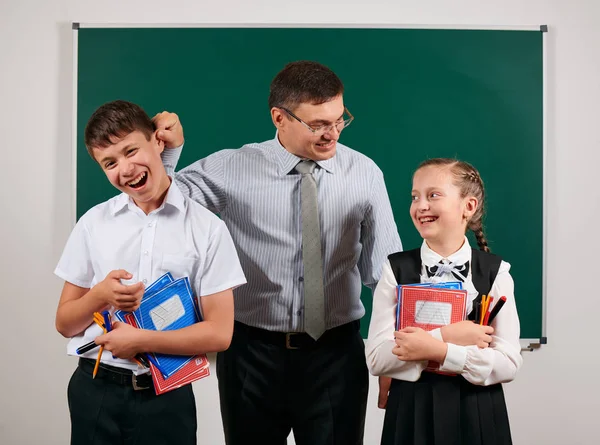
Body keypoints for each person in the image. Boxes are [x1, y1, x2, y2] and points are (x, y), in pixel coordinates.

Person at [153, 60, 403, 445]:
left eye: (339, 120)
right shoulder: (232, 167)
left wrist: (395, 354)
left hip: (336, 356)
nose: (332, 134)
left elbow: (386, 276)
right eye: (317, 124)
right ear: (279, 117)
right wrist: (169, 154)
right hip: (251, 356)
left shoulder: (364, 173)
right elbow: (159, 207)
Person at [54, 100, 246, 445]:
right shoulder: (93, 224)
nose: (125, 169)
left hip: (167, 397)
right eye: (109, 163)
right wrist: (99, 295)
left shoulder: (207, 230)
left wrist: (140, 341)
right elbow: (65, 323)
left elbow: (220, 334)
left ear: (159, 143)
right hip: (94, 388)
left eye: (131, 151)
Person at [365, 158, 522, 445]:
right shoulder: (395, 270)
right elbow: (376, 359)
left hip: (477, 409)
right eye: (415, 197)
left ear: (469, 206)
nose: (420, 205)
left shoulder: (496, 273)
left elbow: (508, 362)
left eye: (433, 195)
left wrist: (436, 350)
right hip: (410, 409)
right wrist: (446, 337)